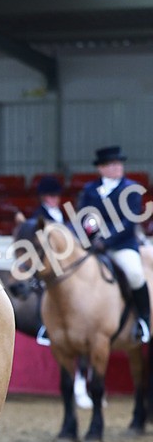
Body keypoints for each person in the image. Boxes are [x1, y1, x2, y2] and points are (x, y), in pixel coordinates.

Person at [78, 145, 150, 343]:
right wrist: (89, 232)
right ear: (101, 168)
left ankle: (144, 320)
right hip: (94, 245)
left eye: (119, 163)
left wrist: (107, 240)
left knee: (135, 273)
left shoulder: (131, 189)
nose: (118, 167)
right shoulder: (89, 190)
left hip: (122, 245)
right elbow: (83, 216)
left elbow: (130, 222)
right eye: (112, 164)